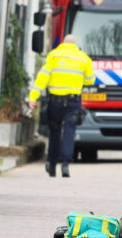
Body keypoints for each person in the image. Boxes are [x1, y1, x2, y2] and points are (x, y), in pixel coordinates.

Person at [26, 37, 95, 177]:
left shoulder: (53, 56)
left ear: (63, 43)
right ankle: (65, 165)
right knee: (69, 132)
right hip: (73, 102)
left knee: (54, 132)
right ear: (76, 45)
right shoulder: (84, 58)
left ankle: (52, 165)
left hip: (55, 102)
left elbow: (42, 78)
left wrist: (33, 97)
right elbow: (90, 80)